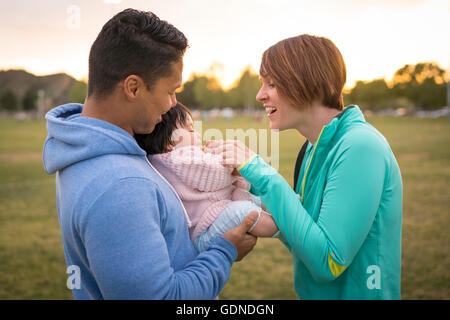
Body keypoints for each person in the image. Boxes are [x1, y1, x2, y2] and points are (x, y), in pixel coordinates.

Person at [42, 8, 257, 300]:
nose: (173, 104)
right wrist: (224, 251)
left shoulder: (85, 148)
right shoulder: (120, 186)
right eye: (171, 91)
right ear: (133, 87)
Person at [205, 34, 403, 299]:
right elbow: (306, 240)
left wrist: (262, 173)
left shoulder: (360, 145)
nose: (260, 95)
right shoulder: (312, 147)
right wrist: (250, 187)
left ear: (308, 82)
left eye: (271, 84)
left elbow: (327, 262)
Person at [135, 102, 280, 253]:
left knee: (249, 199)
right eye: (190, 131)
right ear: (171, 142)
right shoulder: (179, 157)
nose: (197, 135)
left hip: (211, 222)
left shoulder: (160, 161)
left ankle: (290, 206)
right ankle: (287, 229)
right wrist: (232, 164)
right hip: (204, 231)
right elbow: (216, 174)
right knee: (242, 211)